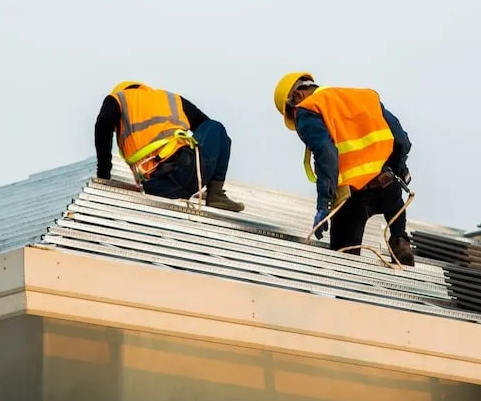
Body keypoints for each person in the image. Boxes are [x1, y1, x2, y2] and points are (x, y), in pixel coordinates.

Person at [272, 72, 415, 265]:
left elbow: (326, 153)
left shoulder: (307, 110)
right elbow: (401, 138)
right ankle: (400, 240)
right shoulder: (363, 97)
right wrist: (399, 167)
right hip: (389, 186)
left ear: (297, 96)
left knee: (343, 264)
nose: (295, 119)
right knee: (396, 214)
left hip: (354, 198)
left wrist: (324, 205)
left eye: (291, 113)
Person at [94, 81, 244, 212]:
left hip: (156, 186)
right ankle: (215, 193)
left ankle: (210, 191)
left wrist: (103, 175)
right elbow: (207, 128)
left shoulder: (118, 99)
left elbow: (103, 125)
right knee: (216, 128)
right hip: (188, 172)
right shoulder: (170, 99)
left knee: (213, 129)